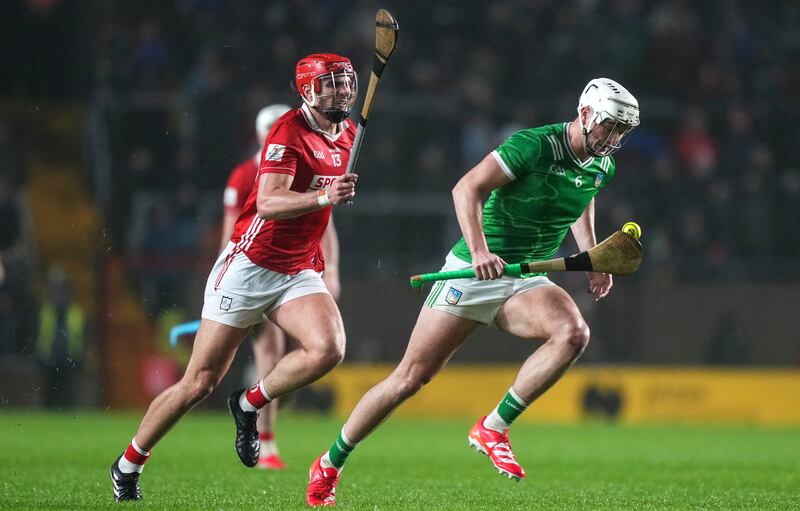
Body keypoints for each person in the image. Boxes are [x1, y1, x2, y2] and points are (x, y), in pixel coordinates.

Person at [305, 78, 640, 506]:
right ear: (586, 114)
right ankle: (330, 463)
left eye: (621, 132)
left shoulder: (601, 165)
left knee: (573, 334)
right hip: (472, 272)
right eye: (609, 126)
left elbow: (582, 198)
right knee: (410, 378)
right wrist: (479, 250)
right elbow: (466, 188)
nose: (612, 139)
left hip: (526, 277)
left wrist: (590, 256)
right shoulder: (534, 145)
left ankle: (494, 427)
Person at [110, 53, 359, 502]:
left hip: (298, 269)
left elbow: (327, 211)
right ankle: (128, 464)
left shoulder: (349, 134)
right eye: (331, 84)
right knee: (199, 382)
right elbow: (268, 202)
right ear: (307, 90)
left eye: (345, 83)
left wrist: (330, 219)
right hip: (250, 267)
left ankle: (249, 403)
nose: (341, 92)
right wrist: (325, 196)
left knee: (328, 349)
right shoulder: (288, 131)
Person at [221, 104, 343, 469]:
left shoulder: (305, 158)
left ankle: (264, 435)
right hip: (250, 271)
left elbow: (325, 222)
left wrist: (332, 270)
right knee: (212, 375)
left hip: (289, 274)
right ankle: (263, 438)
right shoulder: (244, 174)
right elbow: (232, 229)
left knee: (280, 360)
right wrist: (226, 279)